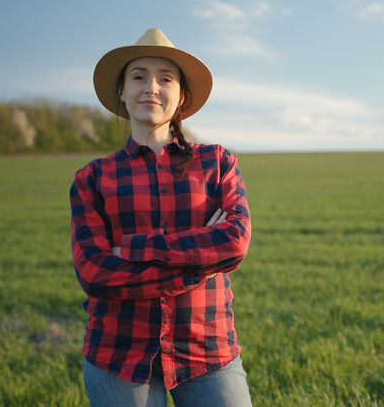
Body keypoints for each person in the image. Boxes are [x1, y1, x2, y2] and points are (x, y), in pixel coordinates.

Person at [70, 28, 253, 407]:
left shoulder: (218, 163)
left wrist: (134, 249)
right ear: (122, 91)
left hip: (208, 351)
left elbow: (233, 242)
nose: (151, 87)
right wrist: (200, 264)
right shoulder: (93, 178)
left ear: (181, 95)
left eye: (165, 78)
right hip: (117, 356)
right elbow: (95, 274)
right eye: (138, 76)